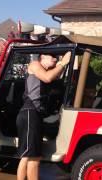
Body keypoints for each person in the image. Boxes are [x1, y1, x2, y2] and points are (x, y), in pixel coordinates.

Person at [16, 51, 71, 180]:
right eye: (51, 56)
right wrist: (62, 63)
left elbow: (55, 77)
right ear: (42, 57)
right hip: (30, 113)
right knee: (33, 158)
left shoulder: (47, 70)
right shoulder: (35, 64)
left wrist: (61, 65)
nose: (54, 58)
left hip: (34, 115)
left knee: (27, 157)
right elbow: (47, 77)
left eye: (55, 56)